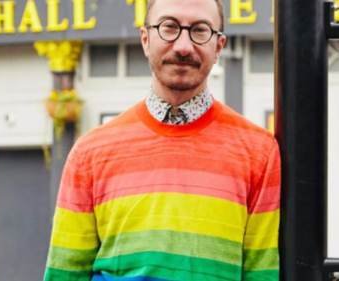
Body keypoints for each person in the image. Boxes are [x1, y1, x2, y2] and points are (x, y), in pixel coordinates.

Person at [43, 0, 280, 280]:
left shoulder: (259, 152)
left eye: (200, 30)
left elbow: (262, 273)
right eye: (169, 27)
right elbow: (64, 273)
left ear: (219, 46)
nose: (183, 46)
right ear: (145, 39)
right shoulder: (89, 152)